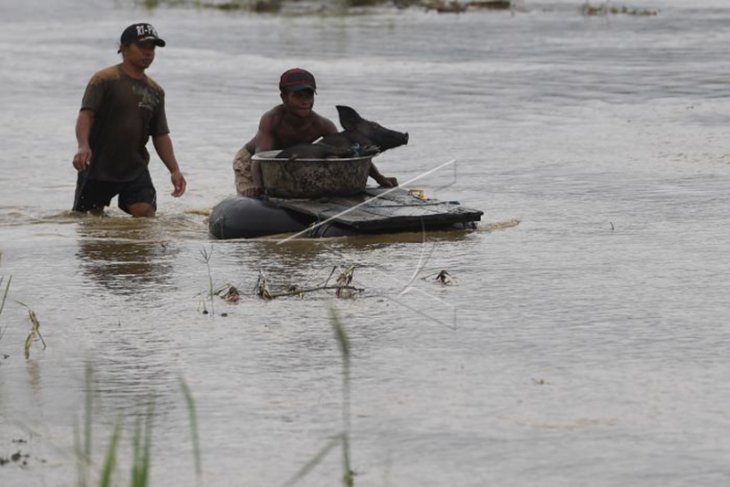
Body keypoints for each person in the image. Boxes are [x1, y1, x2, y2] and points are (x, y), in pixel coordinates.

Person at [72, 23, 186, 217]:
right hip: (99, 165)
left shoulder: (155, 91)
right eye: (142, 46)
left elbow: (160, 134)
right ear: (124, 48)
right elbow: (86, 114)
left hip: (135, 167)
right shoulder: (104, 80)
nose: (148, 53)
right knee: (89, 220)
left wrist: (174, 170)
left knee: (145, 213)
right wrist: (83, 146)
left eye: (152, 47)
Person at [232, 68, 397, 197]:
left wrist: (380, 178)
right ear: (283, 97)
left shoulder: (322, 124)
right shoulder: (272, 119)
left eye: (309, 95)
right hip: (253, 162)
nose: (305, 101)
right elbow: (260, 158)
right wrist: (259, 188)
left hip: (292, 162)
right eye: (298, 96)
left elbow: (350, 152)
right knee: (254, 197)